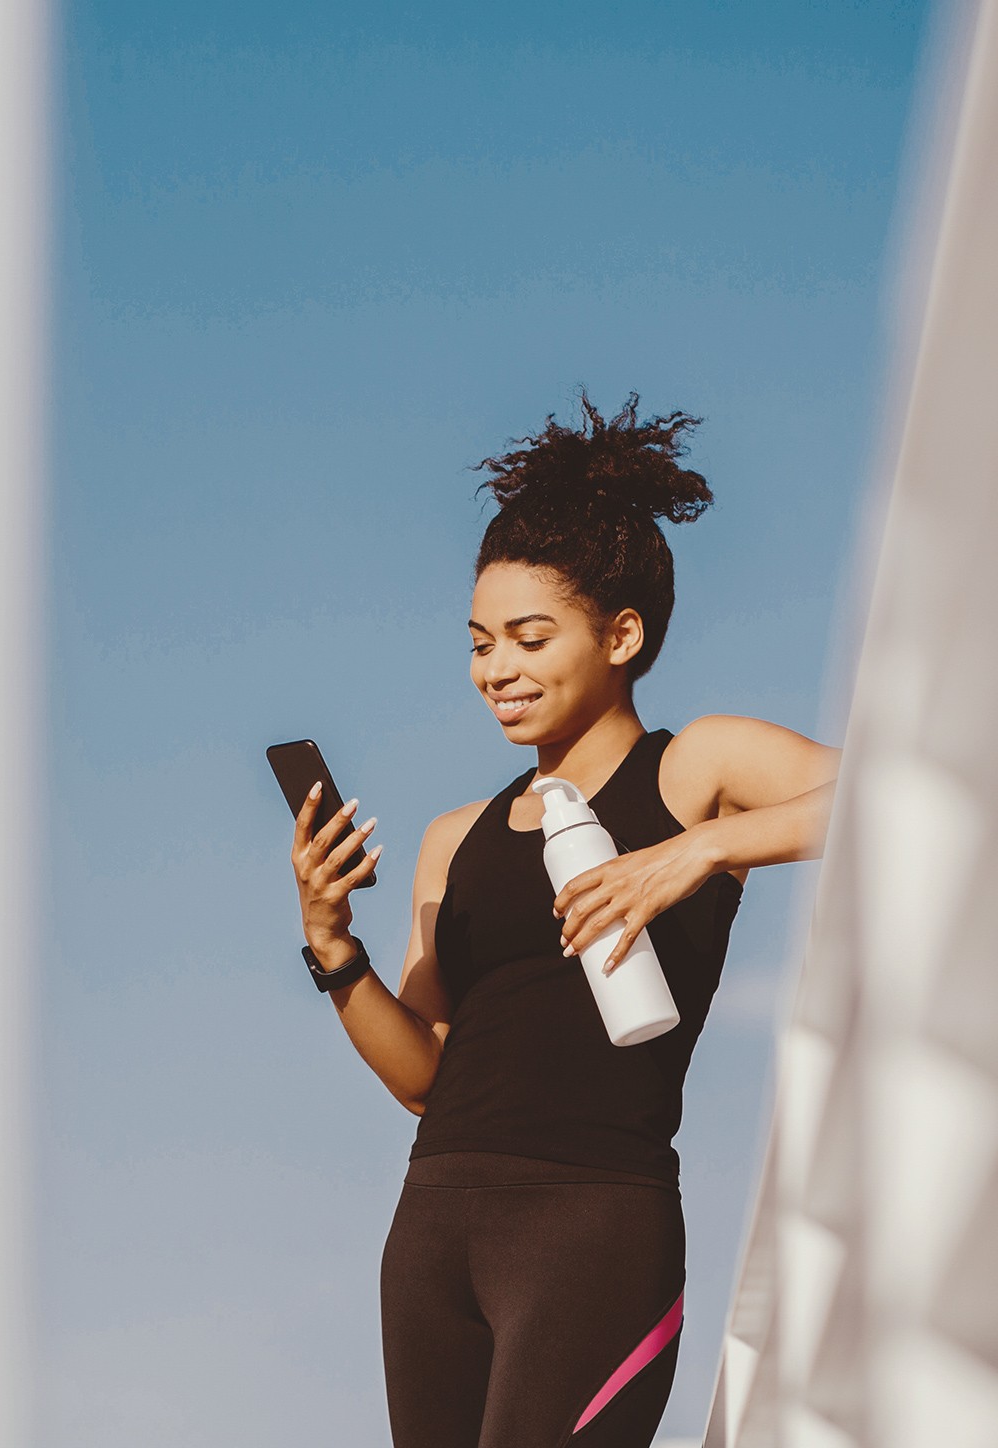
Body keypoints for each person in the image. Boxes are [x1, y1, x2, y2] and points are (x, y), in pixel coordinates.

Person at [290, 391, 841, 1448]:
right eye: (479, 641)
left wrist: (699, 848)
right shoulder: (457, 837)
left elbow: (916, 786)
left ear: (621, 633)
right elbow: (424, 1076)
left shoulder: (696, 769)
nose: (496, 668)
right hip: (434, 1233)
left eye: (529, 637)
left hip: (595, 1228)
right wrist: (332, 946)